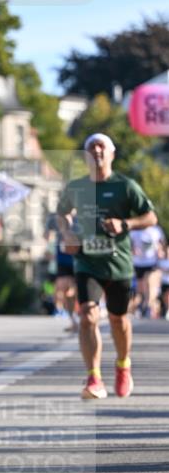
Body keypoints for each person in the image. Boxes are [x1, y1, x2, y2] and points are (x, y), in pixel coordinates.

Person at [57, 133, 157, 400]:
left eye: (102, 146)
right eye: (91, 147)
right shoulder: (76, 187)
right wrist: (67, 232)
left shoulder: (125, 186)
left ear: (111, 154)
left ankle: (123, 364)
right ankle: (94, 378)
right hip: (87, 262)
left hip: (118, 264)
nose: (97, 150)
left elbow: (150, 216)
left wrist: (125, 225)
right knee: (87, 316)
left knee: (118, 320)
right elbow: (62, 212)